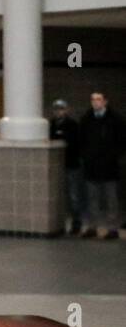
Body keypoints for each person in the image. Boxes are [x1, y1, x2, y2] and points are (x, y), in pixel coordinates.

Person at [80, 92, 124, 240]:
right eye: (92, 99)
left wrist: (114, 156)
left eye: (98, 99)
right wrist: (86, 156)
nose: (95, 102)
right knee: (92, 198)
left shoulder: (115, 119)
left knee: (111, 198)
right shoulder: (87, 119)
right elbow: (83, 140)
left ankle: (112, 228)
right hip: (92, 166)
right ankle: (93, 226)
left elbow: (121, 141)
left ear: (105, 101)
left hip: (109, 166)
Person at [49, 99, 83, 235]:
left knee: (74, 196)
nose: (58, 111)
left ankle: (76, 223)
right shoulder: (51, 125)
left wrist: (61, 137)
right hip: (57, 166)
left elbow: (73, 143)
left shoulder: (72, 125)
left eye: (61, 109)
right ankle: (59, 223)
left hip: (71, 165)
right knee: (58, 196)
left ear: (66, 110)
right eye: (56, 109)